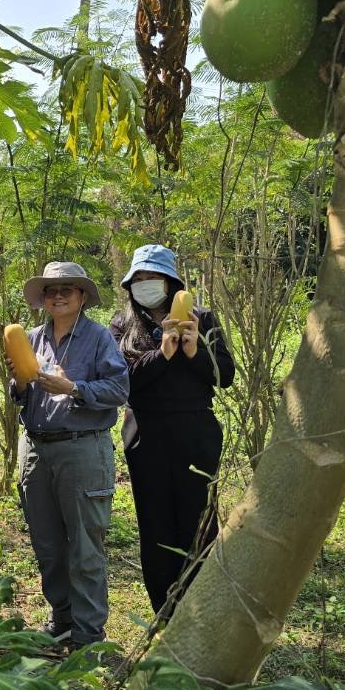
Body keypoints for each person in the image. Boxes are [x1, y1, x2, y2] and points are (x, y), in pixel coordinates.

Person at [110, 244, 235, 620]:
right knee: (155, 524)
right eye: (139, 279)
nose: (146, 284)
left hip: (195, 430)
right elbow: (122, 381)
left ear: (170, 282)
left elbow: (225, 375)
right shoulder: (122, 325)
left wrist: (195, 351)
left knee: (198, 522)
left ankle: (201, 611)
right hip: (146, 434)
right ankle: (164, 613)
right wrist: (162, 353)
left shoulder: (202, 317)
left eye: (153, 277)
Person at [11, 262, 129, 649]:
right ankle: (61, 619)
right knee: (47, 544)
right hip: (36, 449)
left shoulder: (98, 338)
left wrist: (74, 388)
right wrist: (18, 381)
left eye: (67, 289)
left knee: (84, 547)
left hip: (83, 448)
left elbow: (119, 389)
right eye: (51, 290)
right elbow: (21, 395)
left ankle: (88, 634)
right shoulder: (31, 338)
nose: (58, 296)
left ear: (82, 296)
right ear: (43, 299)